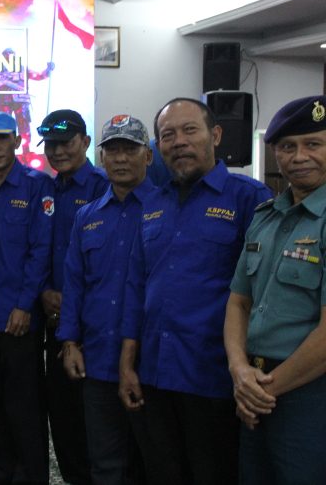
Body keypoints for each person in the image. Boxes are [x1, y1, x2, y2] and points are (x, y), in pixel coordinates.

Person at [118, 98, 272, 485]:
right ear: (158, 147)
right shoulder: (152, 204)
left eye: (190, 130)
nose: (179, 142)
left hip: (215, 377)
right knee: (162, 474)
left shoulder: (250, 198)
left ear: (215, 135)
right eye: (168, 135)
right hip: (155, 373)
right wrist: (127, 363)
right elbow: (137, 285)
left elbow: (262, 292)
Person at [224, 95, 326, 484]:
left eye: (313, 144)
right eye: (287, 147)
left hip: (308, 392)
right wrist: (239, 371)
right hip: (255, 382)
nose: (299, 157)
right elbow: (239, 302)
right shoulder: (266, 217)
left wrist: (260, 393)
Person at [58, 115, 153, 485]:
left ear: (148, 156)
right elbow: (74, 284)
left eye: (130, 149)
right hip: (97, 359)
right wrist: (69, 342)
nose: (121, 158)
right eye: (113, 150)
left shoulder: (165, 209)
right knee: (104, 463)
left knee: (154, 462)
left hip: (151, 362)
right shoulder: (87, 217)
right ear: (102, 157)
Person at [0, 111, 53, 484]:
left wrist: (24, 304)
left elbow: (41, 249)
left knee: (25, 399)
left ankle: (31, 472)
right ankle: (3, 466)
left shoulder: (37, 186)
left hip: (21, 314)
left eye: (1, 139)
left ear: (16, 141)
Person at [38, 109, 108, 485]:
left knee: (96, 416)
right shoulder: (47, 189)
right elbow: (39, 248)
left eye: (66, 143)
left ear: (85, 142)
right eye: (51, 145)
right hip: (55, 320)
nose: (58, 151)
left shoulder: (103, 186)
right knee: (62, 413)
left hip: (94, 323)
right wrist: (44, 292)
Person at [0, 48, 55, 154]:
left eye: (11, 55)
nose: (9, 58)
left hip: (21, 101)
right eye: (6, 56)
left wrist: (48, 69)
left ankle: (26, 150)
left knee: (24, 126)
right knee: (3, 127)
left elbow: (39, 76)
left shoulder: (23, 69)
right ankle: (5, 151)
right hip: (3, 101)